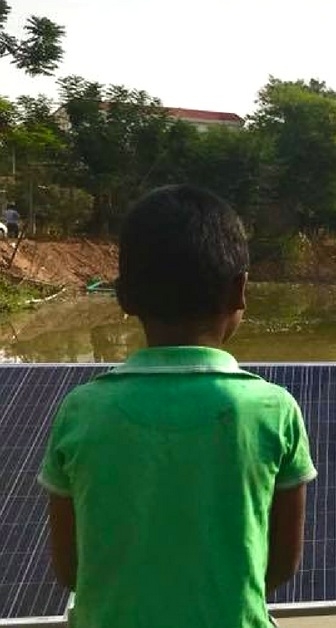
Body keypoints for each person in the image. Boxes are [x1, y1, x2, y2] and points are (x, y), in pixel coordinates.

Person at [38, 185, 317, 628]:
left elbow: (71, 569)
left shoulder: (81, 410)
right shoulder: (273, 410)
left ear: (122, 296)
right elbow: (280, 567)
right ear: (240, 290)